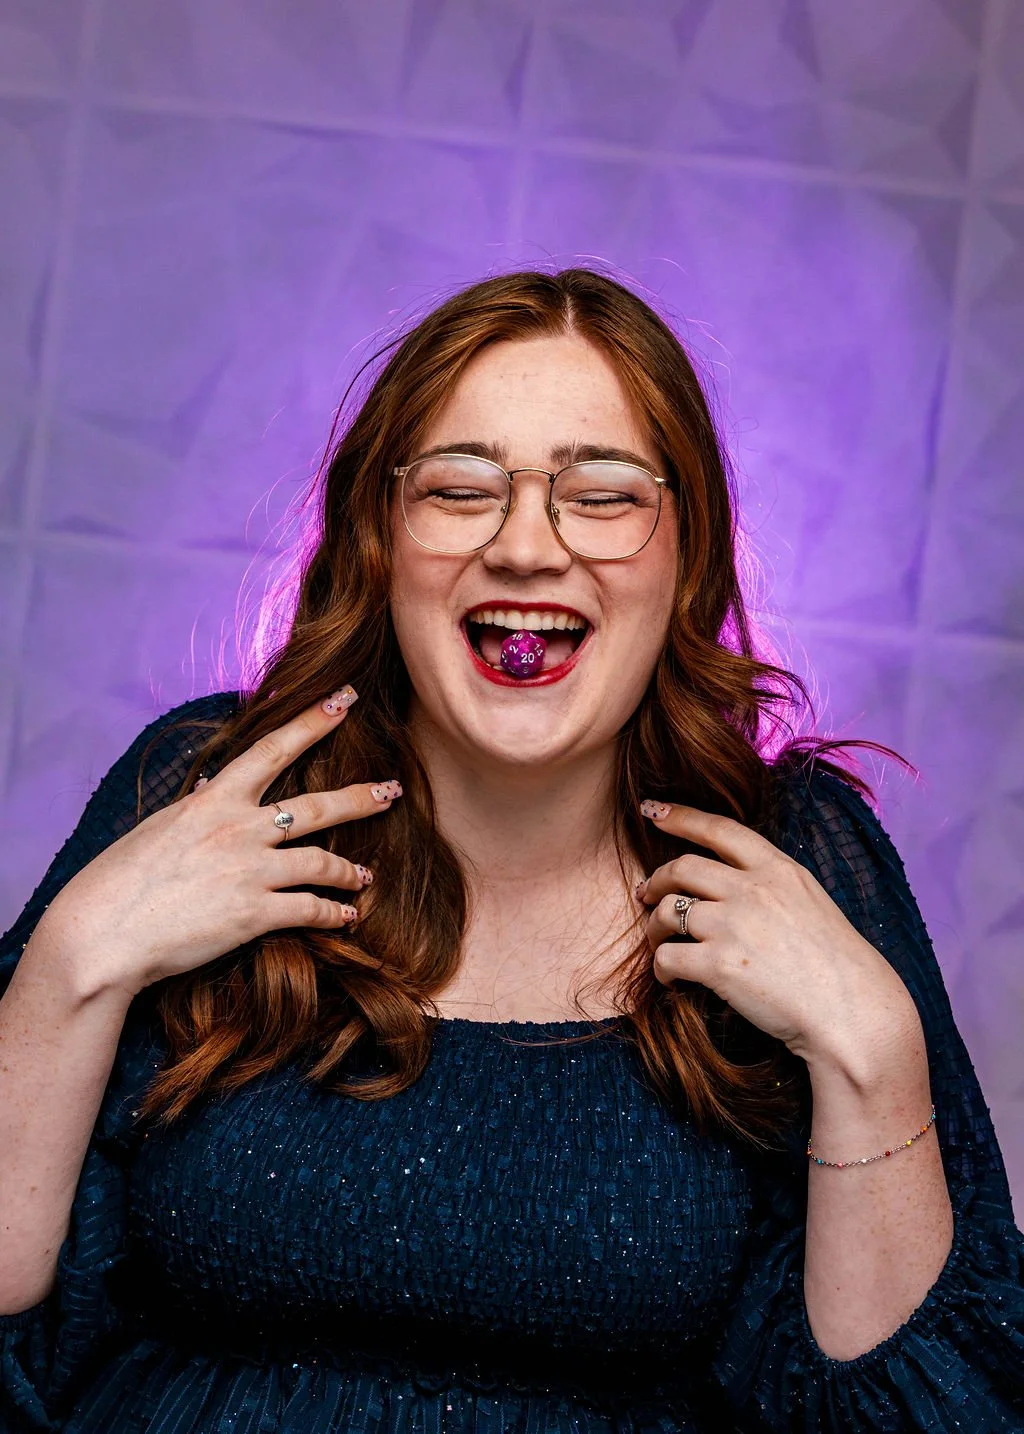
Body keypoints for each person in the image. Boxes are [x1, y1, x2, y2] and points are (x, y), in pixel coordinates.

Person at [0, 268, 1021, 1434]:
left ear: (685, 555)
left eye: (600, 495)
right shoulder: (203, 793)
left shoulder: (796, 853)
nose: (526, 546)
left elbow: (905, 1417)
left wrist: (873, 1052)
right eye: (460, 487)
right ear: (380, 538)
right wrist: (71, 963)